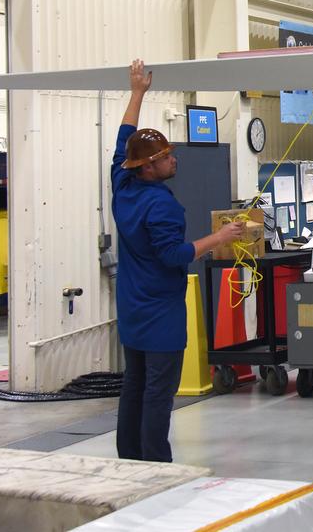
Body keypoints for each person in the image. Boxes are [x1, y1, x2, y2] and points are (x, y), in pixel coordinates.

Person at [113, 60, 244, 463]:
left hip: (132, 310)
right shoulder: (160, 206)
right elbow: (174, 256)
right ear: (149, 167)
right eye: (167, 157)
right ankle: (156, 465)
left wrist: (137, 93)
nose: (174, 160)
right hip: (161, 315)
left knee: (134, 385)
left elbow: (123, 139)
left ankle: (130, 459)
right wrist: (220, 237)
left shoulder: (122, 184)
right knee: (157, 393)